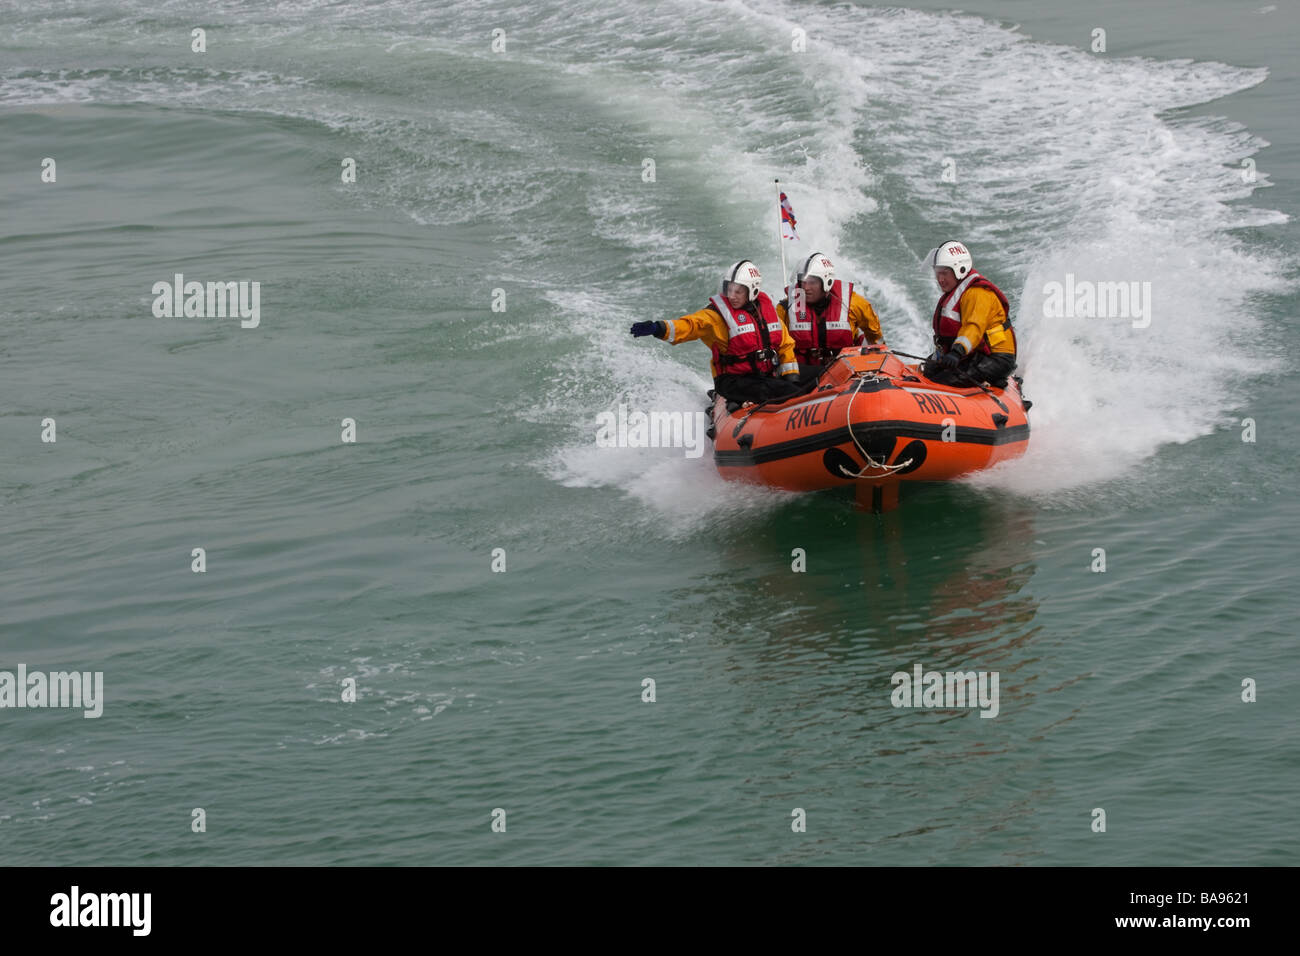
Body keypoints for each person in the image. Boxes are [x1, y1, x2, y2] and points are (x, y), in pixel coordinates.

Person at [630, 260, 802, 405]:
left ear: (753, 290)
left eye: (738, 291)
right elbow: (690, 325)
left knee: (798, 384)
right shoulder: (717, 316)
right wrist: (658, 328)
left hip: (764, 375)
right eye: (729, 289)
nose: (732, 295)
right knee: (788, 393)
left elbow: (785, 344)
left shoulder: (766, 312)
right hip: (733, 381)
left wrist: (791, 376)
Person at [923, 240, 1017, 387]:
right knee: (929, 370)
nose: (940, 279)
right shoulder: (958, 291)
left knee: (943, 382)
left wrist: (957, 352)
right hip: (974, 354)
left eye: (944, 273)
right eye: (937, 273)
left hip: (997, 357)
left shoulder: (977, 293)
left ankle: (994, 382)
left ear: (960, 269)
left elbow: (973, 327)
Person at [776, 251, 885, 371]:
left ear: (826, 283)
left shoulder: (853, 304)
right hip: (804, 373)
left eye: (812, 282)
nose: (806, 288)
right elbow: (777, 343)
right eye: (803, 282)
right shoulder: (786, 308)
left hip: (846, 370)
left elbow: (874, 335)